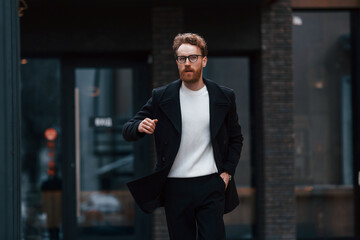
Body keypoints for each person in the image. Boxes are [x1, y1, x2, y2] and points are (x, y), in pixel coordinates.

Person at [122, 33, 243, 240]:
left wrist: (227, 172)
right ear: (177, 62)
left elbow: (236, 137)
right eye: (182, 58)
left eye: (193, 58)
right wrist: (140, 126)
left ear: (204, 60)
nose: (187, 63)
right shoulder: (162, 97)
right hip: (175, 186)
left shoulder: (223, 96)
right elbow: (128, 128)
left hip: (211, 183)